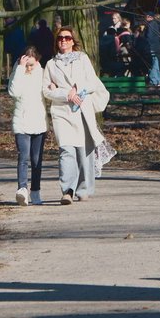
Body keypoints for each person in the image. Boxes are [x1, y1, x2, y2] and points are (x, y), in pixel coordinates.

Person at [43, 26, 115, 204]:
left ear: (73, 41)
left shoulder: (82, 59)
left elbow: (92, 82)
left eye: (67, 38)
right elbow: (46, 90)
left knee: (84, 151)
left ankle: (84, 189)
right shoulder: (51, 64)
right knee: (66, 151)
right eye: (60, 38)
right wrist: (64, 93)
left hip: (82, 109)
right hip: (62, 112)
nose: (63, 41)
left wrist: (77, 87)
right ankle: (67, 190)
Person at [7, 46, 47, 206]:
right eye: (26, 64)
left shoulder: (43, 74)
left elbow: (48, 92)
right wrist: (20, 69)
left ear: (37, 62)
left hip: (39, 122)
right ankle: (22, 189)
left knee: (37, 160)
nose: (29, 68)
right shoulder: (18, 73)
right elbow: (14, 92)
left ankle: (35, 191)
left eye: (32, 64)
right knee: (23, 157)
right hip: (21, 122)